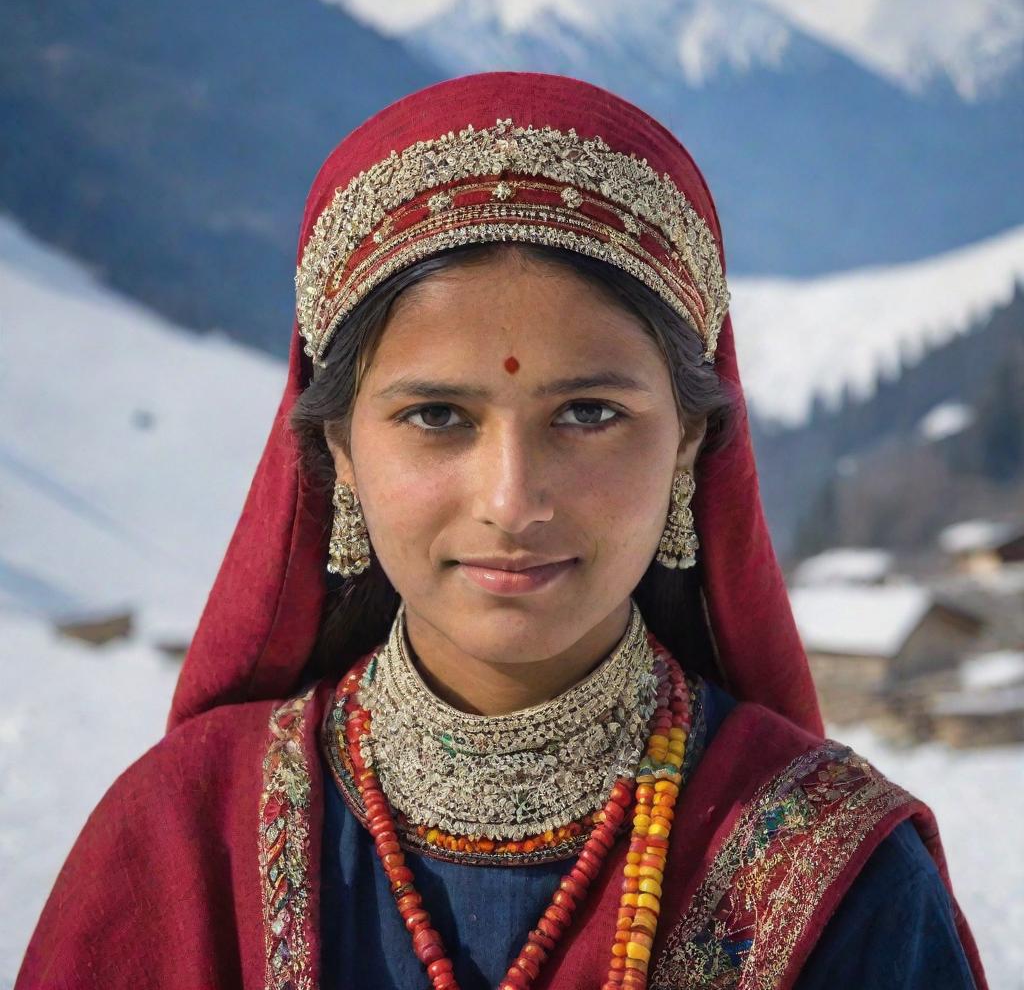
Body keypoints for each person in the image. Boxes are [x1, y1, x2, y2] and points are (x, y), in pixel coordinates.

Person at [16, 72, 987, 990]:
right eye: (437, 415)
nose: (512, 501)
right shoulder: (181, 843)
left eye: (590, 414)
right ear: (339, 450)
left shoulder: (839, 880)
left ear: (689, 441)